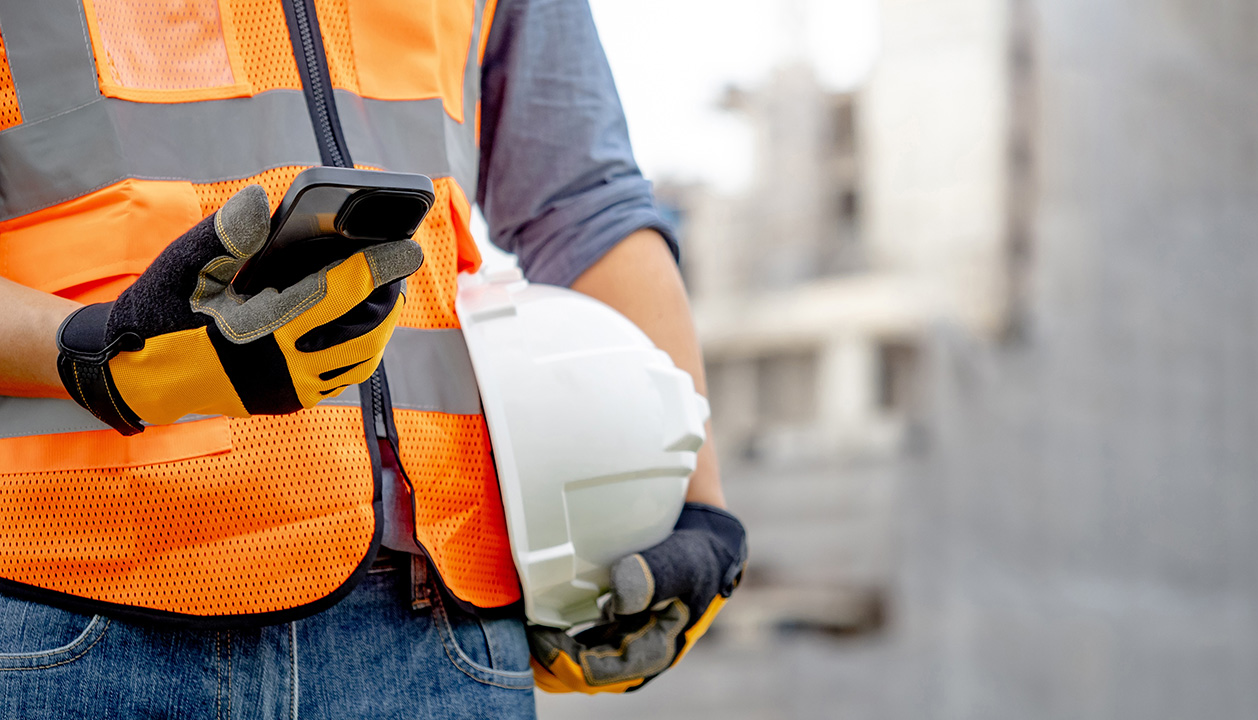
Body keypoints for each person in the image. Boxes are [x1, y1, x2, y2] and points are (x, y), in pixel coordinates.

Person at [0, 0, 744, 717]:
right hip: (66, 596)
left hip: (437, 620)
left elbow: (583, 203)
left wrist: (695, 498)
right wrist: (94, 352)